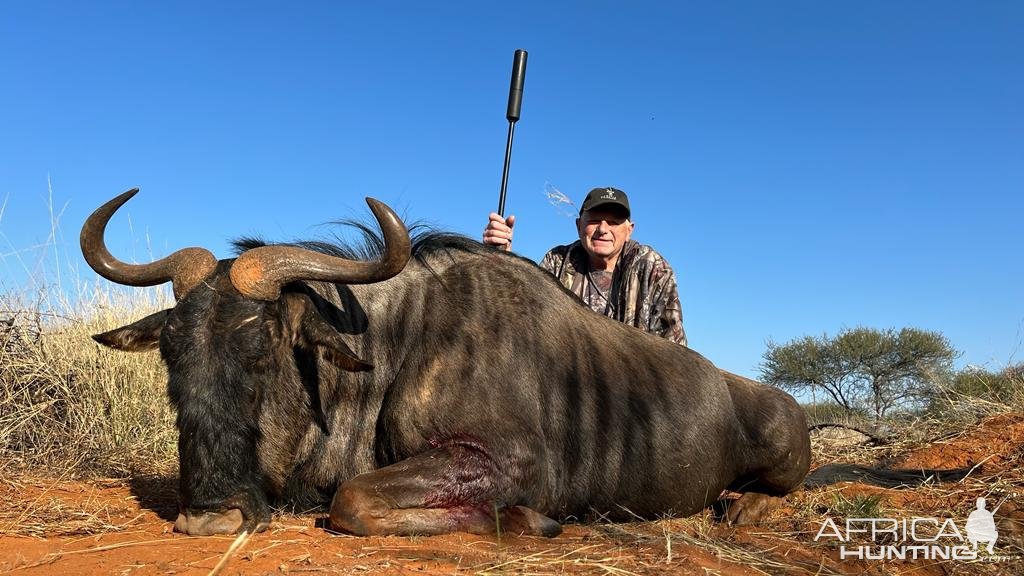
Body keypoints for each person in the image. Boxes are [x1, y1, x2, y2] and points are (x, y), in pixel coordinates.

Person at [483, 186, 686, 346]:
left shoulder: (653, 269)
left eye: (613, 222)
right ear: (579, 225)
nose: (603, 229)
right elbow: (522, 319)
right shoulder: (557, 261)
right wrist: (501, 260)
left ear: (629, 230)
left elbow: (674, 350)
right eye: (595, 220)